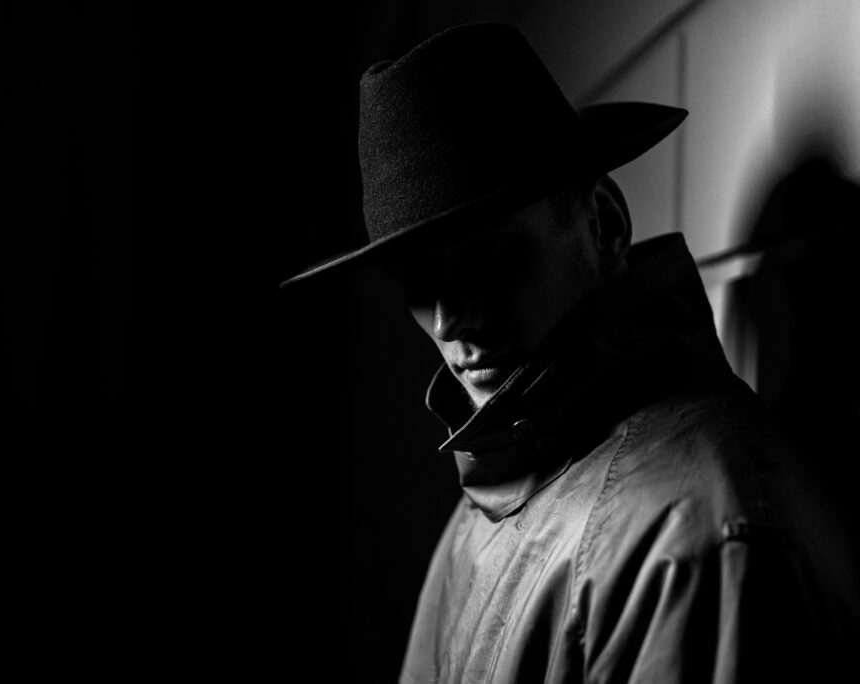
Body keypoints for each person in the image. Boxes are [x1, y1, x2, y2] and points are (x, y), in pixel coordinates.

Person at [280, 22, 852, 683]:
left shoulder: (698, 529)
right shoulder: (496, 488)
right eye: (417, 280)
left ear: (604, 223)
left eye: (490, 255)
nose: (448, 316)